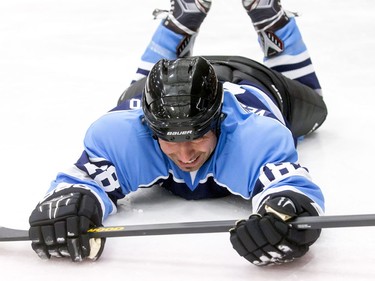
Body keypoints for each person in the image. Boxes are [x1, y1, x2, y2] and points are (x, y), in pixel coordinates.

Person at [28, 0, 328, 266]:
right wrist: (73, 201)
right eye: (170, 138)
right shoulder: (124, 135)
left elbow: (292, 186)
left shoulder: (256, 137)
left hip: (259, 82)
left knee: (317, 106)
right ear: (148, 125)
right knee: (139, 88)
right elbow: (83, 180)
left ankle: (273, 25)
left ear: (219, 120)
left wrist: (286, 213)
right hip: (148, 92)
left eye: (197, 135)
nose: (185, 155)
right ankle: (179, 27)